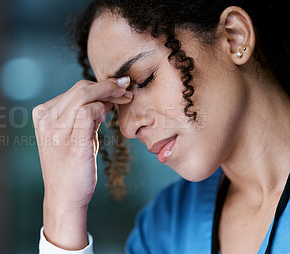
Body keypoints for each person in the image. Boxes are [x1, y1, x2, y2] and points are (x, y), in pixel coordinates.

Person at [33, 0, 290, 253]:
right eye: (117, 102)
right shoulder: (163, 228)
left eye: (144, 80)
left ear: (235, 38)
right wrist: (63, 212)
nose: (127, 127)